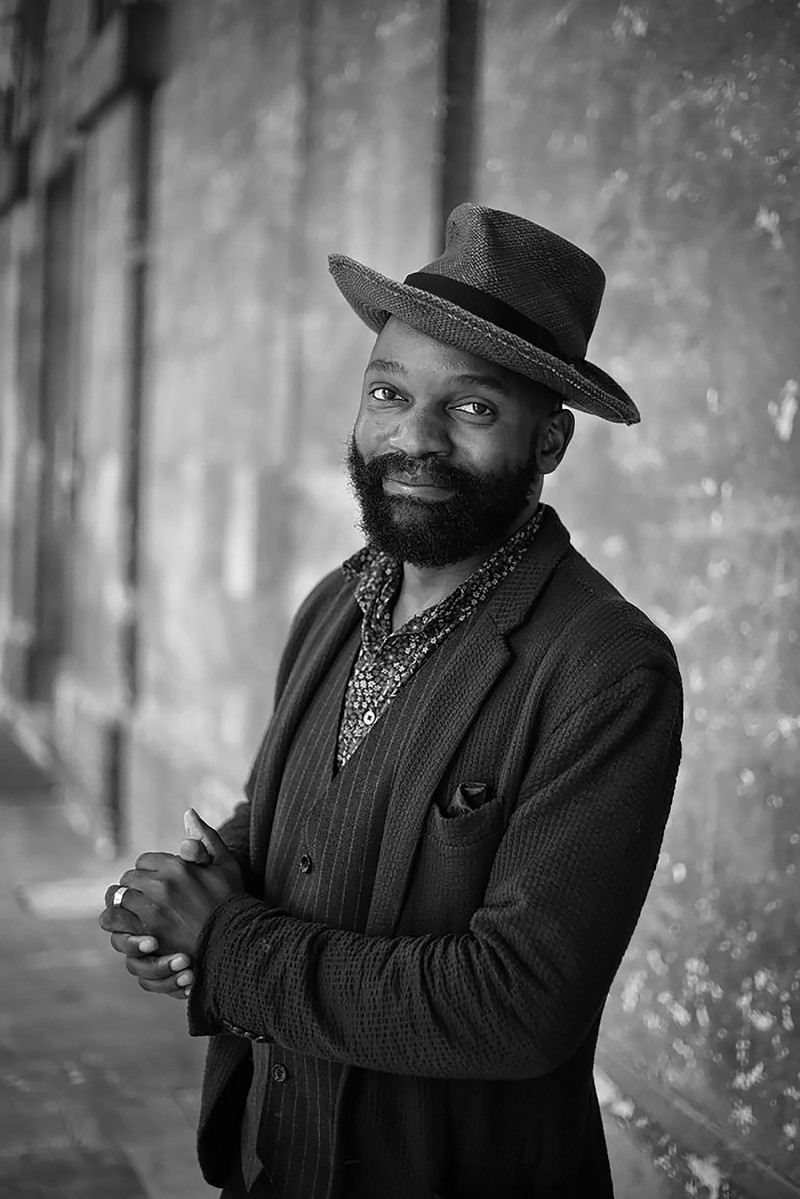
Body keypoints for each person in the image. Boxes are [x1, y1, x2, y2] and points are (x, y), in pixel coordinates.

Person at [100, 202, 683, 1198]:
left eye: (472, 408)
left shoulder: (605, 667)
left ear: (550, 440)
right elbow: (282, 819)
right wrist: (184, 896)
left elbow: (516, 1002)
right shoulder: (336, 602)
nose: (412, 437)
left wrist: (225, 944)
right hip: (270, 1154)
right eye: (387, 391)